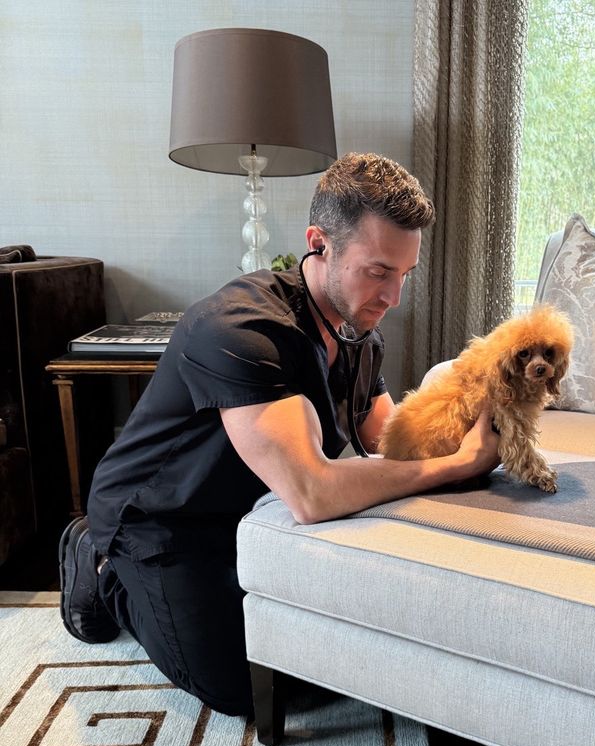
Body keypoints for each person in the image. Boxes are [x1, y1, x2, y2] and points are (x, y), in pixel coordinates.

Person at [59, 152, 500, 716]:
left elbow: (394, 443)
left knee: (335, 654)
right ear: (319, 242)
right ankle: (95, 565)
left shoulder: (360, 334)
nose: (393, 298)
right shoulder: (241, 330)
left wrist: (481, 412)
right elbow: (314, 495)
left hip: (255, 510)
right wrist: (458, 466)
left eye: (405, 274)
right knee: (243, 687)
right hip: (160, 522)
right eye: (378, 271)